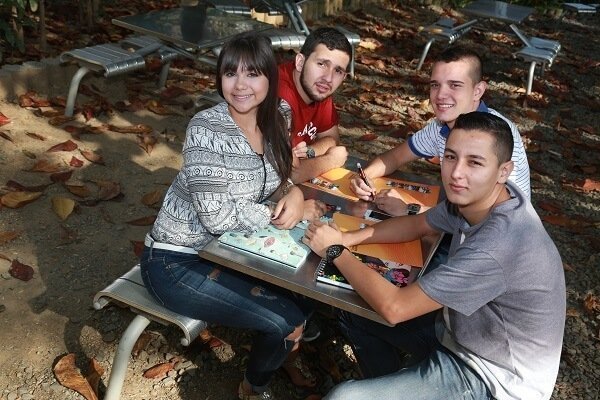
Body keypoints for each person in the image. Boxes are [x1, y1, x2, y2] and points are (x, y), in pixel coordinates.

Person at [304, 112, 565, 400]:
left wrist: (336, 250)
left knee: (343, 398)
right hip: (458, 332)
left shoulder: (499, 245)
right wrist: (346, 237)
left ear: (503, 171)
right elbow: (417, 224)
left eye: (475, 162)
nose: (456, 173)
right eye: (451, 157)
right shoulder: (485, 198)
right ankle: (390, 383)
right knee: (355, 313)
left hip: (493, 379)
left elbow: (395, 307)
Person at [140, 32, 315, 400]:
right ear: (219, 77)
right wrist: (275, 211)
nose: (240, 85)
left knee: (308, 297)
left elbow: (278, 178)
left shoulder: (278, 115)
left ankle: (279, 354)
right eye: (230, 73)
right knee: (289, 321)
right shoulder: (206, 129)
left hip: (230, 250)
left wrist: (294, 193)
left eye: (252, 73)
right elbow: (217, 218)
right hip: (177, 261)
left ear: (270, 75)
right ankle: (253, 388)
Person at [351, 46, 531, 216]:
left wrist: (410, 209)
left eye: (455, 85)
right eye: (435, 85)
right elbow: (396, 157)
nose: (440, 95)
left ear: (478, 91)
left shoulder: (497, 135)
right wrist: (365, 177)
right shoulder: (440, 126)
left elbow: (490, 217)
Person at [278, 27, 353, 184]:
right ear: (300, 62)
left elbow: (331, 139)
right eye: (321, 64)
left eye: (338, 71)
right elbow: (286, 174)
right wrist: (331, 159)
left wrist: (311, 152)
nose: (329, 78)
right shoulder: (280, 96)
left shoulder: (318, 89)